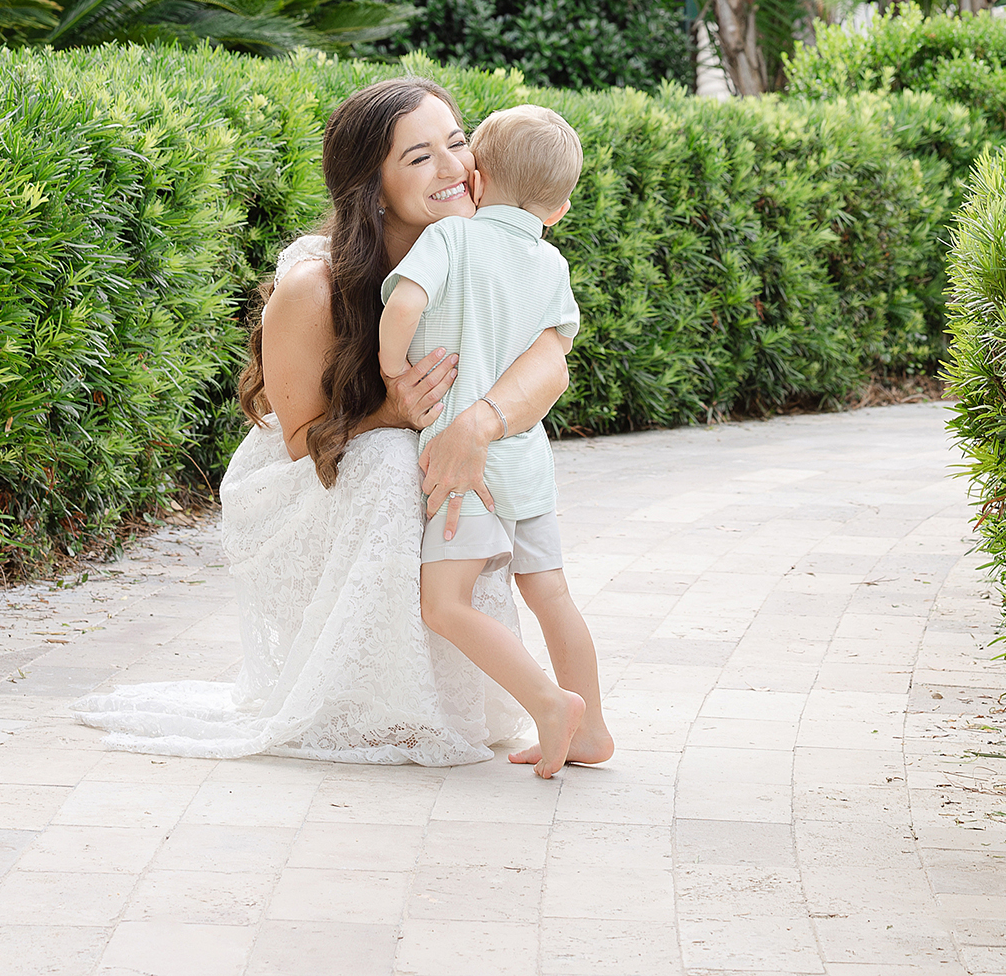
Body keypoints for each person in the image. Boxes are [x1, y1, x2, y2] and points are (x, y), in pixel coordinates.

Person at [77, 77, 571, 764]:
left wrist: (476, 427)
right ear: (373, 187)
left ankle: (459, 696)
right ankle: (376, 703)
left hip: (419, 448)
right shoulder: (314, 284)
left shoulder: (487, 251)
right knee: (398, 464)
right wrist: (396, 410)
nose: (454, 167)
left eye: (457, 143)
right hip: (305, 470)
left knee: (462, 471)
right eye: (420, 157)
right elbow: (301, 435)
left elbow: (552, 359)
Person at [379, 104, 612, 778]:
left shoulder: (453, 240)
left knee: (443, 604)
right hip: (526, 458)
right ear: (560, 207)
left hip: (464, 468)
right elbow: (552, 352)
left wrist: (394, 370)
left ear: (476, 178)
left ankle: (548, 701)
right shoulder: (553, 263)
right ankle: (592, 724)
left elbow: (404, 304)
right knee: (551, 593)